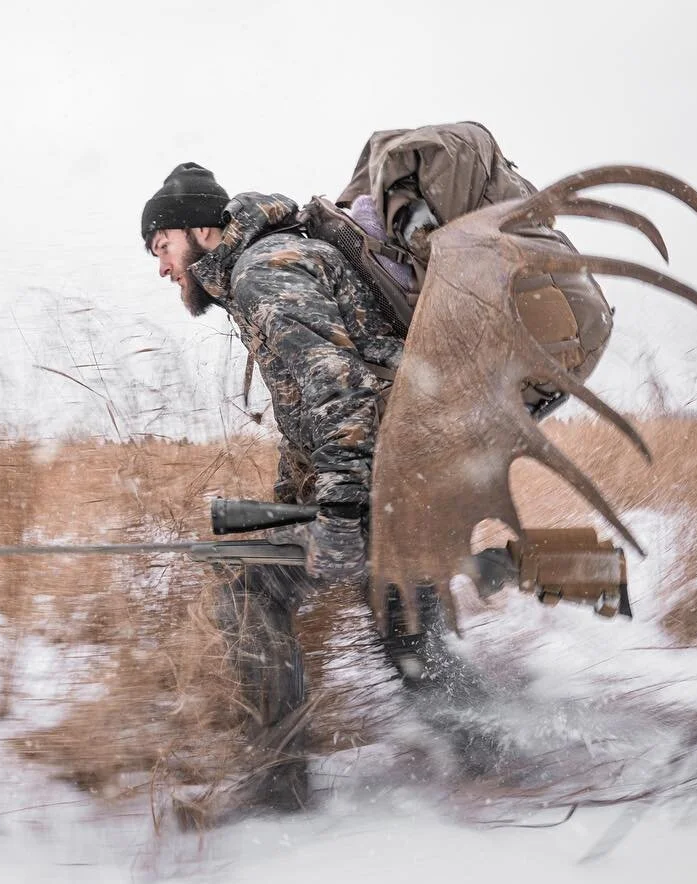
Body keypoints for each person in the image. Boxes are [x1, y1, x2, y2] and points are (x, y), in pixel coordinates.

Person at [142, 162, 405, 811]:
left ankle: (278, 788)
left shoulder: (265, 271)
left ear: (201, 229)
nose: (161, 267)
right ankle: (489, 738)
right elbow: (310, 410)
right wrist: (289, 509)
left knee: (248, 581)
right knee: (406, 622)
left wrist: (338, 520)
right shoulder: (269, 265)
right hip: (410, 483)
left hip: (388, 490)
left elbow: (339, 390)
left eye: (161, 246)